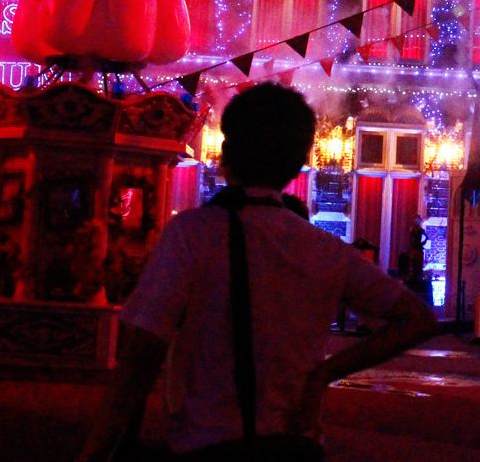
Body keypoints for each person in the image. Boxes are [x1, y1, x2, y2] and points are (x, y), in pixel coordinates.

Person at [78, 85, 437, 461]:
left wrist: (97, 449)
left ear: (227, 153)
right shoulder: (324, 248)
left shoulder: (193, 234)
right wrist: (323, 374)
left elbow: (140, 358)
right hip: (297, 447)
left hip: (210, 443)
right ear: (297, 161)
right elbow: (417, 319)